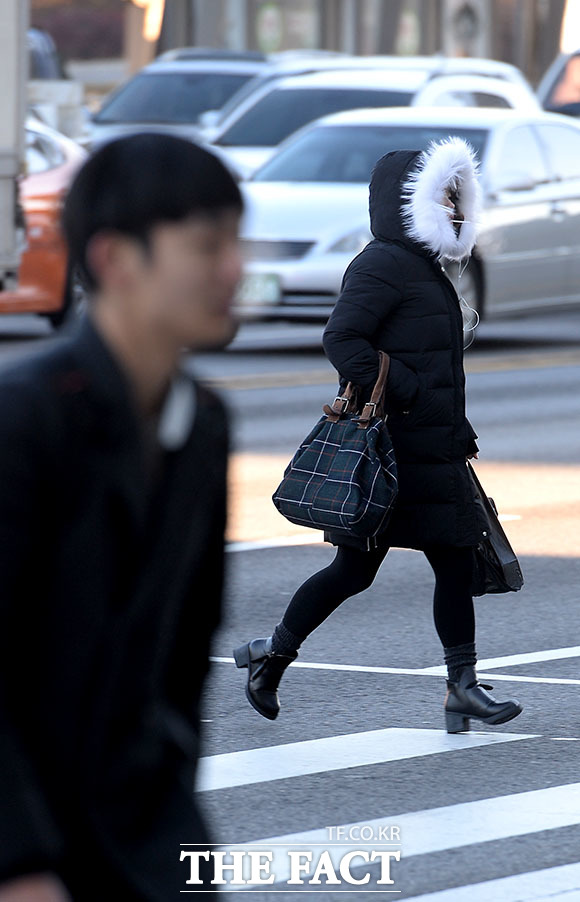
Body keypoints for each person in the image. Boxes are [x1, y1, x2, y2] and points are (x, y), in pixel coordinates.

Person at [0, 134, 243, 901]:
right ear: (114, 258)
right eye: (207, 245)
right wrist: (18, 866)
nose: (234, 269)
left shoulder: (203, 421)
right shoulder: (25, 417)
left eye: (237, 242)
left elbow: (184, 656)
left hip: (148, 842)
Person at [234, 138, 523, 735]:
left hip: (433, 447)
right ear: (407, 201)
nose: (454, 207)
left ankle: (462, 686)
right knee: (354, 571)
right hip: (388, 453)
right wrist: (411, 393)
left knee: (454, 559)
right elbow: (342, 341)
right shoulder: (383, 264)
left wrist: (451, 423)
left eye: (457, 197)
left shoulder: (425, 267)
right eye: (443, 197)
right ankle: (272, 655)